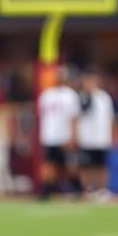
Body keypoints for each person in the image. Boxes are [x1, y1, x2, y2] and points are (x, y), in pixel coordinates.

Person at [37, 65, 81, 199]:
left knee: (70, 165)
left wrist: (73, 136)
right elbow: (42, 116)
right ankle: (46, 190)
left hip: (64, 136)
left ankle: (75, 188)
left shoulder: (70, 95)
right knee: (48, 164)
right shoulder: (46, 94)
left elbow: (74, 118)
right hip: (50, 136)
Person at [76, 69, 118, 201]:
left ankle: (102, 189)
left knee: (102, 165)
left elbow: (111, 118)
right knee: (86, 166)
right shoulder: (80, 97)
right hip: (86, 138)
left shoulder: (104, 97)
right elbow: (77, 115)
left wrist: (114, 135)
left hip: (101, 138)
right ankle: (87, 189)